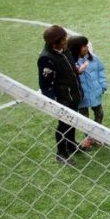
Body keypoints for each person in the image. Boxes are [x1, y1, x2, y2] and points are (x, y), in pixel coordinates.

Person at [38, 25, 83, 165]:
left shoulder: (65, 49)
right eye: (63, 39)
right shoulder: (46, 59)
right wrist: (54, 102)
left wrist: (76, 71)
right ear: (54, 43)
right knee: (63, 125)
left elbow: (70, 66)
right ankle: (61, 153)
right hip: (62, 98)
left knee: (72, 120)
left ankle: (71, 145)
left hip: (73, 93)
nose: (66, 41)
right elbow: (45, 84)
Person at [68, 36, 106, 149]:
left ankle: (95, 134)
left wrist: (103, 85)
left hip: (95, 92)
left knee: (99, 113)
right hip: (81, 96)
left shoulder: (94, 59)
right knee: (84, 118)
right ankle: (89, 137)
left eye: (86, 45)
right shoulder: (71, 63)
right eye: (83, 46)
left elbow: (101, 71)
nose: (86, 47)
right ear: (76, 48)